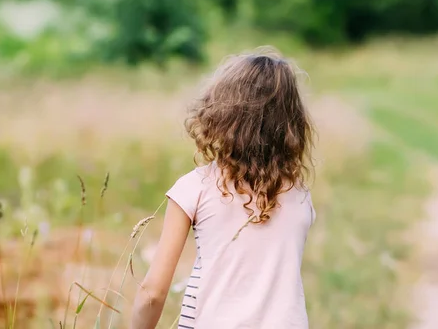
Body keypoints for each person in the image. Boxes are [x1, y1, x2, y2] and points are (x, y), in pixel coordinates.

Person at [131, 48, 316, 329]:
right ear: (291, 122)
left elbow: (153, 294)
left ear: (222, 112)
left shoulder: (195, 188)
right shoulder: (301, 196)